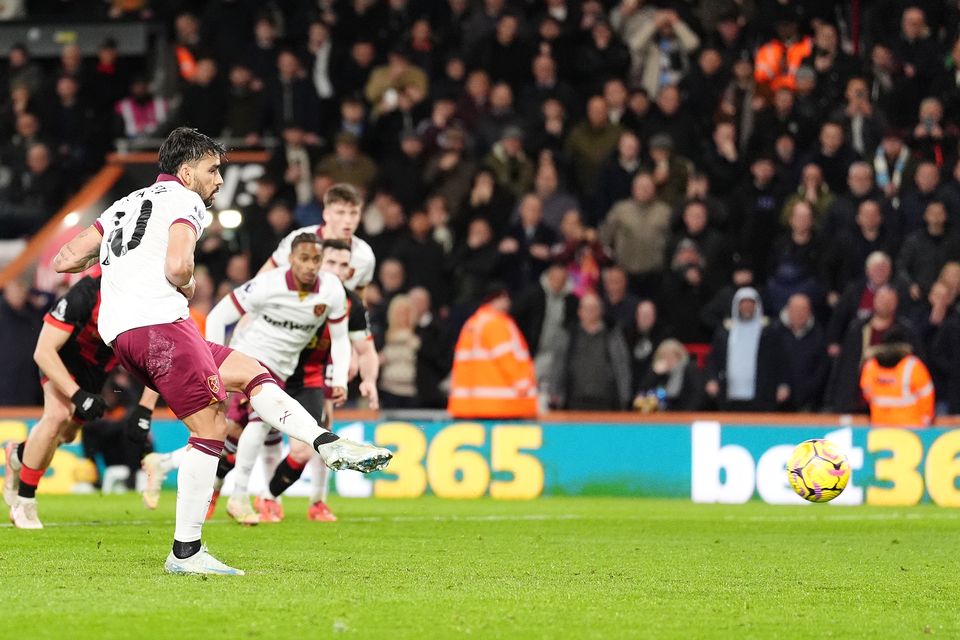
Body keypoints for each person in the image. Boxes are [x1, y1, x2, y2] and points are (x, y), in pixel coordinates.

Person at [51, 128, 390, 575]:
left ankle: (324, 441)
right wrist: (186, 282)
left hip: (126, 334)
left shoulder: (126, 204)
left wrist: (123, 265)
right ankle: (186, 552)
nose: (218, 180)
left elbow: (65, 258)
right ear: (186, 171)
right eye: (212, 170)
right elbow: (178, 266)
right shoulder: (185, 202)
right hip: (160, 325)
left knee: (249, 371)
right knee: (211, 426)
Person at [3, 275, 159, 529]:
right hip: (61, 359)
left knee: (64, 435)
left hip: (96, 373)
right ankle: (25, 502)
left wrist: (145, 410)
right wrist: (77, 395)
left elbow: (155, 361)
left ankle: (19, 454)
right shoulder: (86, 292)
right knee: (57, 415)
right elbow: (43, 351)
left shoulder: (145, 301)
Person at [448, 286, 537, 419]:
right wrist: (523, 386)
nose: (507, 303)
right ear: (493, 299)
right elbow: (506, 359)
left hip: (469, 405)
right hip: (501, 405)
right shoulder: (496, 323)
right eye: (503, 298)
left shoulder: (472, 323)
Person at [704, 287, 788, 411]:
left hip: (762, 394)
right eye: (743, 303)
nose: (747, 307)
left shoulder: (769, 331)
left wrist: (783, 384)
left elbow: (781, 359)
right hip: (729, 394)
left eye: (750, 303)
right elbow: (714, 358)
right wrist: (712, 379)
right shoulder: (725, 331)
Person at [549, 291, 633, 411]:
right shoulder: (570, 335)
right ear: (580, 311)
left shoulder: (612, 335)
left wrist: (625, 396)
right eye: (587, 308)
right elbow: (558, 365)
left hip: (606, 402)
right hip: (574, 401)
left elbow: (621, 367)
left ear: (601, 311)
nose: (591, 312)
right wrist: (554, 392)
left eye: (594, 308)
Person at [860, 329, 935, 427]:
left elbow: (867, 393)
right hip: (910, 426)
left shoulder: (871, 365)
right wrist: (926, 420)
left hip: (880, 424)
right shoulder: (913, 365)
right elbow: (927, 396)